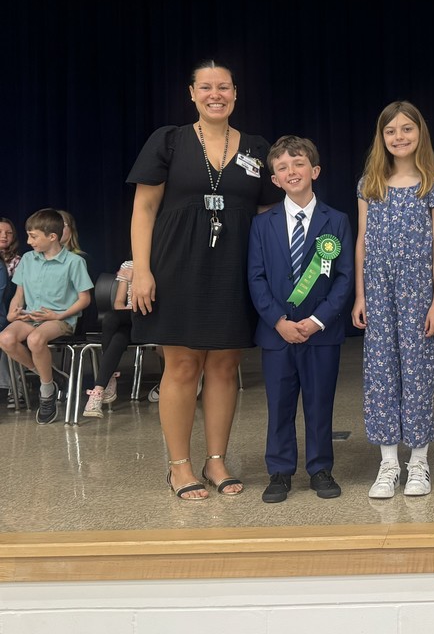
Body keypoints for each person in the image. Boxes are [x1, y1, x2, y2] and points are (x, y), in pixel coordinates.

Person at [128, 59, 278, 500]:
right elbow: (144, 209)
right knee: (182, 366)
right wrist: (142, 270)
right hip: (176, 267)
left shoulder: (255, 147)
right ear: (191, 93)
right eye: (207, 87)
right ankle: (179, 466)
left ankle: (216, 460)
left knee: (224, 367)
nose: (217, 94)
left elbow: (268, 213)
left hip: (233, 268)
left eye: (225, 87)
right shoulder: (169, 140)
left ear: (235, 93)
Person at [248, 135, 354, 504]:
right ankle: (279, 471)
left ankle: (320, 468)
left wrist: (317, 320)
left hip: (321, 334)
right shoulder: (262, 225)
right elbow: (256, 277)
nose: (291, 171)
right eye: (282, 168)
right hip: (277, 333)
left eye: (298, 164)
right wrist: (278, 320)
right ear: (274, 179)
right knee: (279, 404)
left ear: (315, 170)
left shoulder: (336, 220)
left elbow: (343, 277)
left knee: (319, 402)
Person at [352, 101, 434, 499]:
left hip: (418, 293)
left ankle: (419, 462)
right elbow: (361, 241)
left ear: (419, 133)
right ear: (382, 138)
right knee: (380, 374)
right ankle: (388, 462)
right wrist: (360, 295)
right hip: (378, 291)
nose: (399, 137)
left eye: (407, 129)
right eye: (391, 131)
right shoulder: (369, 184)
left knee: (417, 373)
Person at [0, 209, 93, 424]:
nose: (29, 241)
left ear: (52, 237)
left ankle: (46, 391)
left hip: (60, 320)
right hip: (31, 317)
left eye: (33, 236)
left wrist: (60, 314)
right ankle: (51, 374)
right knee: (5, 338)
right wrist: (15, 310)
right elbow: (19, 294)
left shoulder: (74, 262)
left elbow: (84, 299)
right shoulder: (28, 260)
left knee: (35, 340)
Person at [81, 259, 134, 419]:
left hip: (150, 317)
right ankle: (100, 388)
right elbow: (118, 302)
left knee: (112, 319)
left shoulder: (163, 262)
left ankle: (105, 379)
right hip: (129, 317)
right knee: (117, 334)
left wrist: (136, 279)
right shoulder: (128, 265)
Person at [0, 217, 22, 409]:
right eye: (0, 232)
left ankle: (15, 387)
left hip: (9, 312)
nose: (3, 236)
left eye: (8, 232)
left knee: (6, 337)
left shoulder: (17, 262)